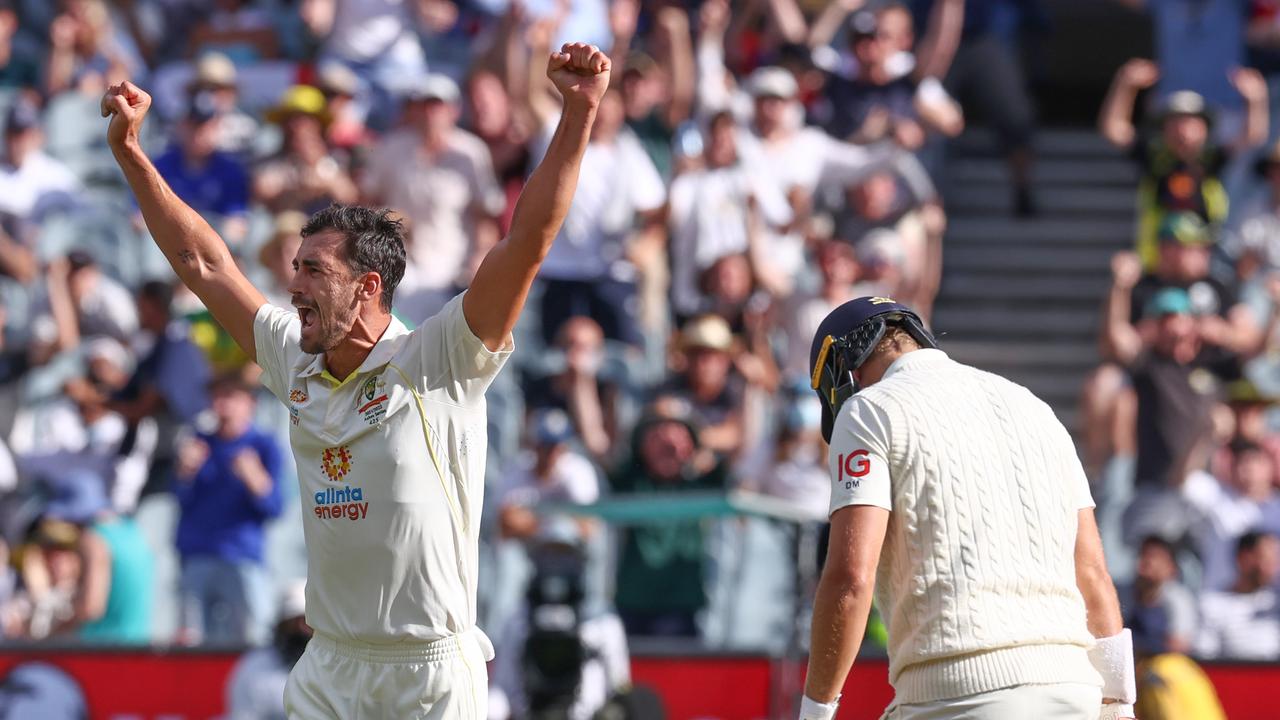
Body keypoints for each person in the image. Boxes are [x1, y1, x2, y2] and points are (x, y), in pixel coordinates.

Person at [101, 38, 612, 718]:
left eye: (315, 271)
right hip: (331, 663)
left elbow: (529, 242)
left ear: (369, 286)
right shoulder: (295, 356)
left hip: (428, 674)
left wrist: (577, 114)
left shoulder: (442, 357)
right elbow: (204, 264)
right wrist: (131, 154)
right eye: (296, 269)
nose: (294, 286)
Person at [800, 297, 1135, 720]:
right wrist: (1120, 705)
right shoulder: (1035, 407)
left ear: (842, 373)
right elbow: (1092, 574)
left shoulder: (867, 410)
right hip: (1075, 689)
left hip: (956, 693)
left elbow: (851, 579)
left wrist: (815, 710)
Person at [173, 374, 284, 646]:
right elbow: (178, 498)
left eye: (231, 397)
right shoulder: (197, 444)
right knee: (193, 642)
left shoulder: (265, 446)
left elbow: (276, 508)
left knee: (251, 639)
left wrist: (255, 479)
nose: (223, 405)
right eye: (217, 397)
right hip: (197, 555)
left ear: (250, 404)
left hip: (242, 556)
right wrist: (184, 472)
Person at [225, 579, 312, 720]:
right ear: (281, 624)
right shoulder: (254, 668)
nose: (301, 629)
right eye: (294, 621)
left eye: (307, 621)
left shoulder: (338, 666)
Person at [1195, 531, 1280, 660]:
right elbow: (1205, 659)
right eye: (1266, 559)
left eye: (1275, 560)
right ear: (1244, 558)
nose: (1273, 568)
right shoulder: (1211, 604)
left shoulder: (1275, 602)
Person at [1120, 536, 1197, 656]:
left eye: (1156, 557)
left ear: (1172, 568)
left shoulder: (1179, 599)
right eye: (1144, 554)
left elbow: (1180, 645)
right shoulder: (1123, 594)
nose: (1148, 561)